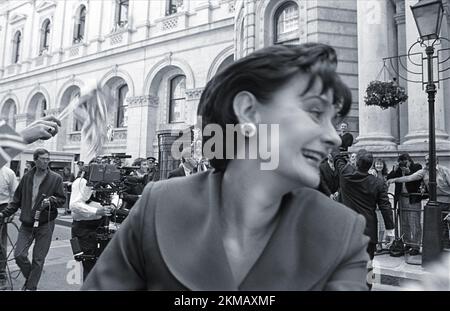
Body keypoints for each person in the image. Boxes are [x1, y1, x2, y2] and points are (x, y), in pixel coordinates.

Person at [82, 43, 370, 290]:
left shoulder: (343, 231)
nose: (334, 136)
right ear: (249, 111)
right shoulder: (159, 205)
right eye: (316, 112)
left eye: (334, 119)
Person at [0, 148, 65, 290]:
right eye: (43, 159)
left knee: (38, 259)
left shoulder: (56, 178)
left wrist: (52, 201)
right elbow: (16, 200)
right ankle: (31, 281)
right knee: (19, 255)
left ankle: (30, 287)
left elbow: (62, 200)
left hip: (45, 224)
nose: (46, 161)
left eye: (48, 159)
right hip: (27, 223)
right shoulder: (27, 177)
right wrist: (3, 214)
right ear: (35, 160)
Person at [334, 149, 395, 264]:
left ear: (356, 163)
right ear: (371, 165)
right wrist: (390, 230)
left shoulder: (345, 174)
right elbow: (385, 206)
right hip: (368, 231)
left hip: (348, 231)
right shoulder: (378, 183)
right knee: (368, 266)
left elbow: (337, 158)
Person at [388, 155, 450, 250]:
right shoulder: (424, 171)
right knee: (436, 228)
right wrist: (394, 180)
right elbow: (409, 178)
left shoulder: (444, 170)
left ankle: (444, 250)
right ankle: (438, 250)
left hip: (446, 203)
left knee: (444, 228)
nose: (427, 162)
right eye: (425, 160)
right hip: (433, 203)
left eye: (429, 159)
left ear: (436, 160)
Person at [69, 163, 112, 280]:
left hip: (101, 226)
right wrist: (97, 211)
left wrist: (111, 207)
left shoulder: (105, 182)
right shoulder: (81, 182)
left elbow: (111, 198)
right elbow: (74, 205)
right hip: (84, 229)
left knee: (102, 266)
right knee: (90, 266)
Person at [386, 153, 423, 255]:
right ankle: (407, 243)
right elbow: (389, 177)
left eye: (405, 162)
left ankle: (415, 245)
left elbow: (416, 178)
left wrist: (408, 171)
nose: (403, 165)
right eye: (401, 162)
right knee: (404, 222)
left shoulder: (417, 167)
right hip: (401, 198)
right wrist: (395, 169)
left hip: (412, 199)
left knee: (414, 223)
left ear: (409, 161)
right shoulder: (398, 169)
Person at [0, 165, 18, 290]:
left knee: (0, 244)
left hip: (2, 208)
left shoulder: (8, 173)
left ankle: (1, 274)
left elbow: (15, 195)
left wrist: (11, 212)